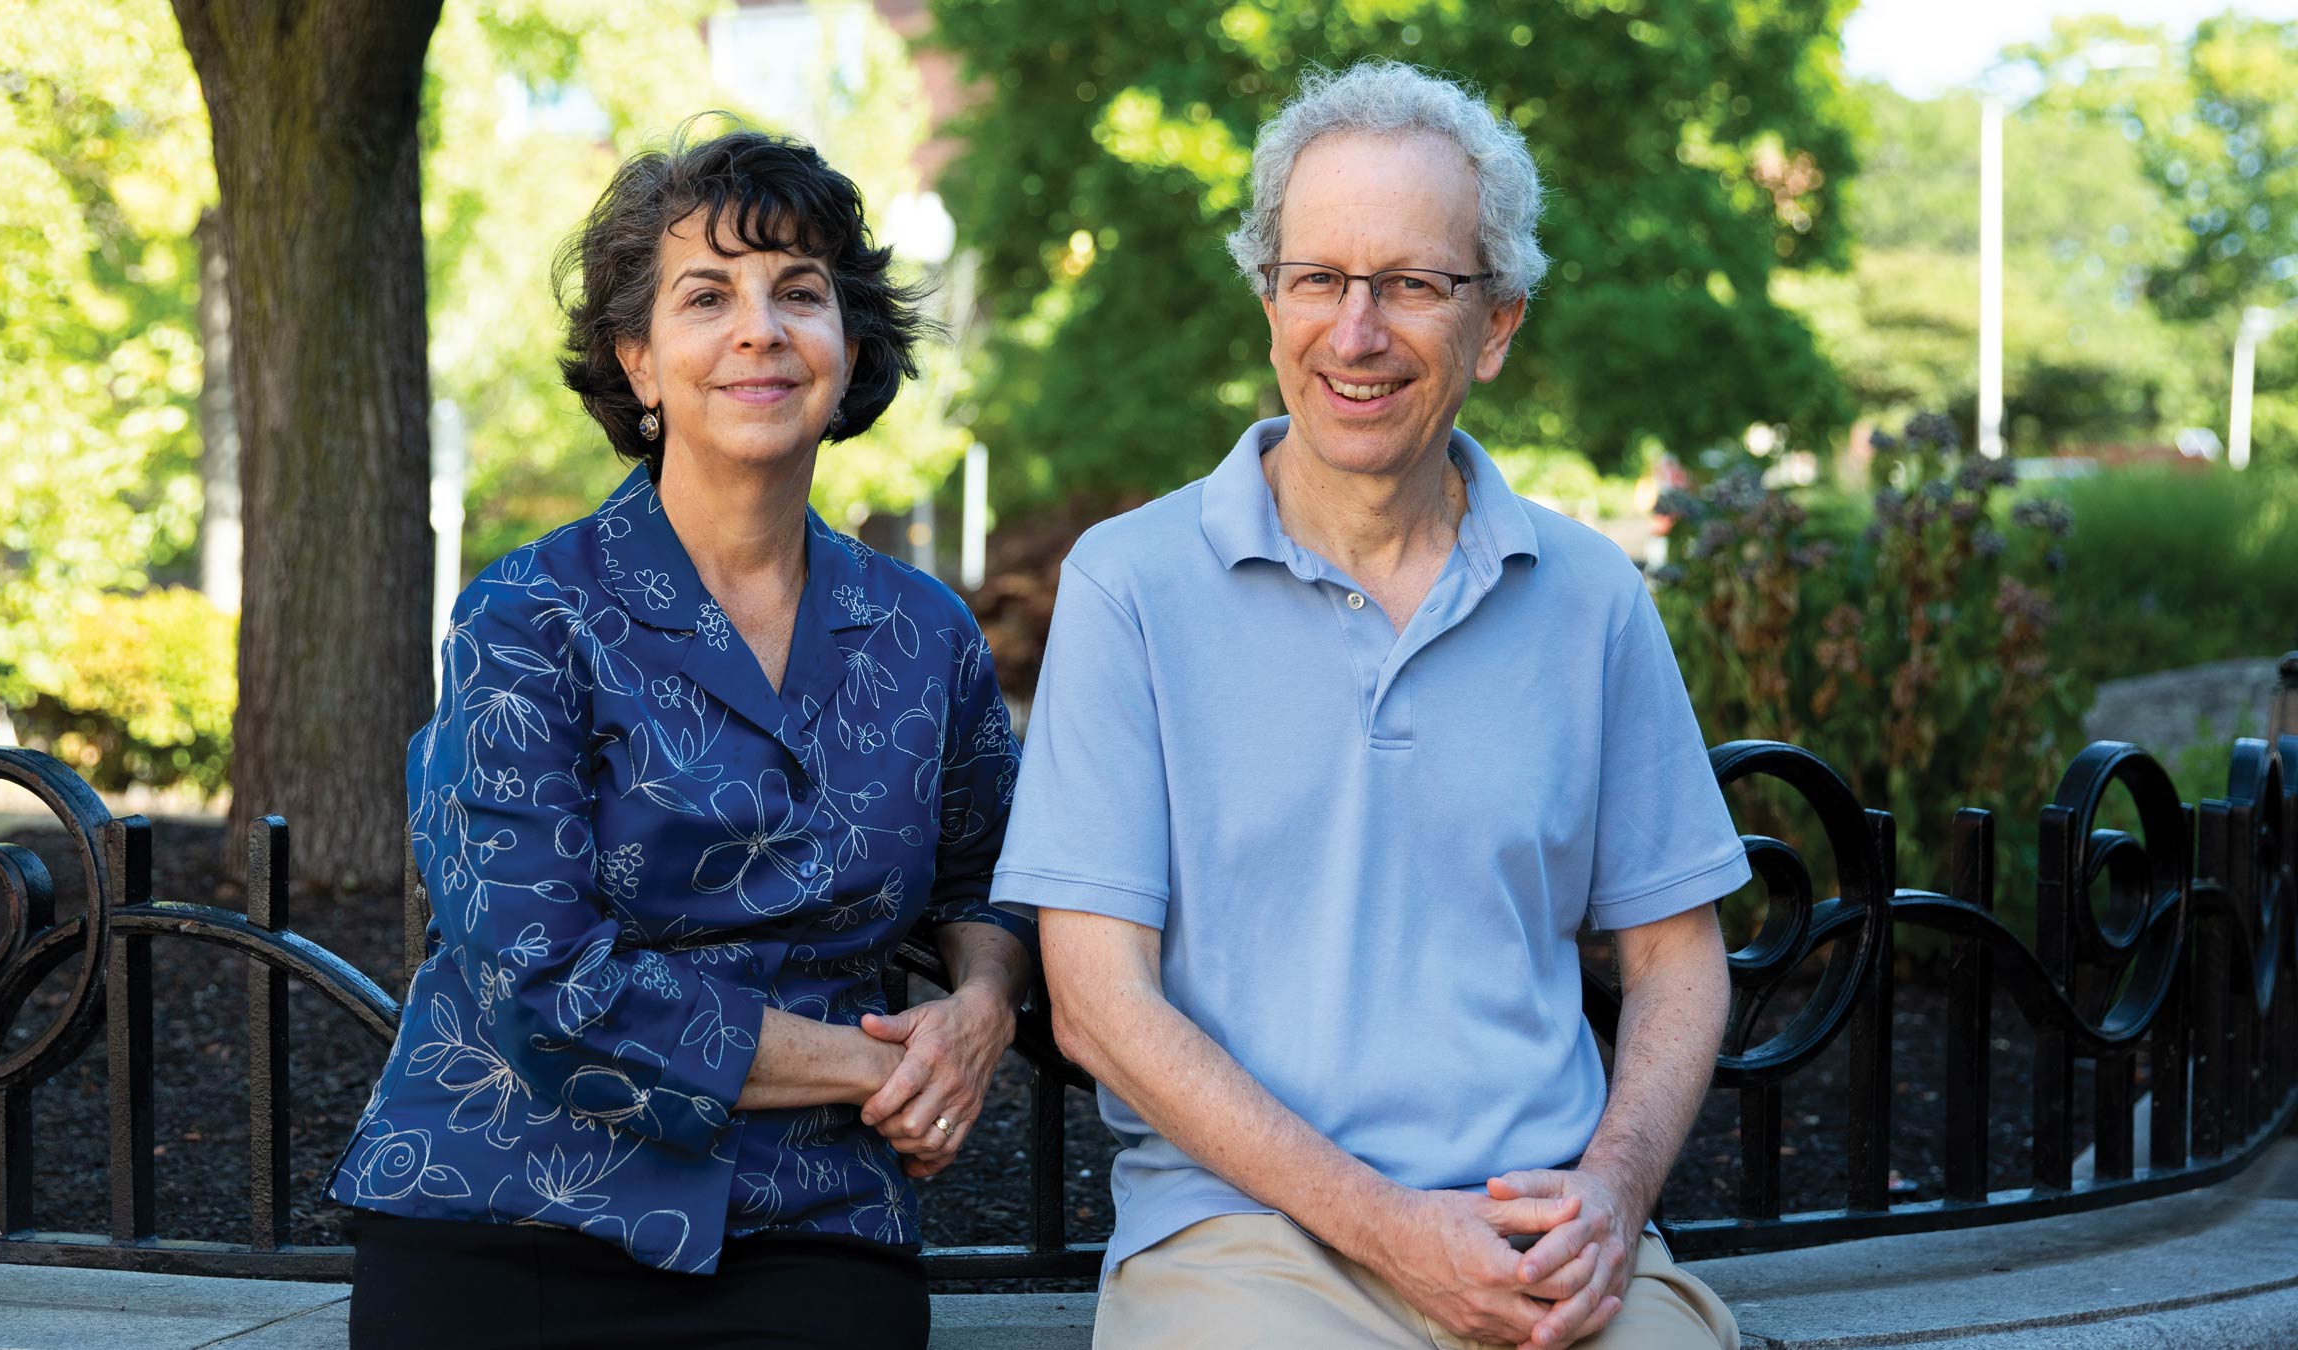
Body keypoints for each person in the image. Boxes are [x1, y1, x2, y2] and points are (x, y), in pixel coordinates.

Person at [992, 61, 1748, 1350]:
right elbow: (1097, 1005)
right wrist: (1394, 1229)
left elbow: (1678, 959)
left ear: (1496, 324)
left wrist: (1615, 1196)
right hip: (1242, 1243)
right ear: (1270, 298)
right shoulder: (1130, 586)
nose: (1356, 331)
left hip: (1538, 1232)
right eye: (1319, 279)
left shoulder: (1591, 596)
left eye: (1410, 284)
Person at [327, 125, 1034, 1350]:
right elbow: (540, 982)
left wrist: (979, 1008)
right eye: (707, 297)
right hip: (510, 1207)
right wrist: (883, 1073)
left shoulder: (926, 636)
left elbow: (1001, 881)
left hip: (811, 1218)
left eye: (798, 294)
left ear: (849, 348)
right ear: (638, 362)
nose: (760, 329)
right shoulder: (525, 616)